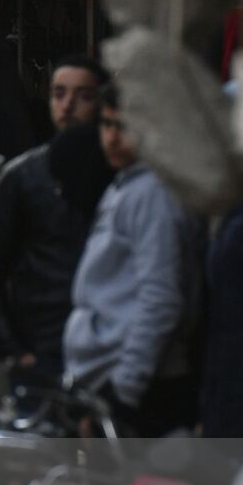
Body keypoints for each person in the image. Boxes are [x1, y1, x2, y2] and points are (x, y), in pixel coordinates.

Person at [63, 86, 204, 437]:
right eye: (107, 125)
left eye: (125, 128)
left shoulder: (153, 195)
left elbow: (161, 298)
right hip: (115, 374)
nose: (112, 138)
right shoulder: (128, 185)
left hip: (141, 383)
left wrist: (125, 388)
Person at [0, 55, 108, 398]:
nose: (68, 105)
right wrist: (14, 351)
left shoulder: (119, 174)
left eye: (83, 95)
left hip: (107, 347)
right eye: (59, 94)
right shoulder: (23, 176)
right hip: (42, 347)